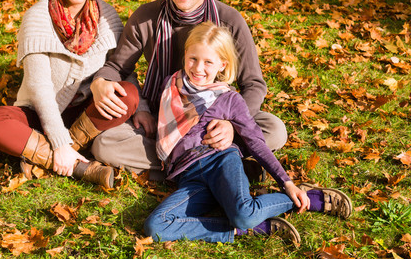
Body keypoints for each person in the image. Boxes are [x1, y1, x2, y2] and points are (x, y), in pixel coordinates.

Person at [89, 0, 287, 177]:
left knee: (275, 129)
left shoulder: (229, 21)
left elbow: (253, 84)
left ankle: (184, 165)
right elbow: (117, 68)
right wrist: (102, 83)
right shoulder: (146, 17)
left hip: (214, 119)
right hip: (162, 119)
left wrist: (232, 126)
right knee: (105, 144)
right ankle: (217, 165)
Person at [143, 22, 353, 243]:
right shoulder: (171, 85)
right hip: (189, 177)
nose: (197, 68)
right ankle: (248, 227)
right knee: (155, 226)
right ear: (185, 54)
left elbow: (256, 143)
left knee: (243, 215)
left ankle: (308, 197)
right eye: (193, 58)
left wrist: (287, 183)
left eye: (208, 62)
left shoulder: (229, 99)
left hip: (220, 163)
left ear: (222, 65)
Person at [0, 0, 139, 189]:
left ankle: (44, 155)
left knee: (128, 93)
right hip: (39, 112)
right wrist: (60, 144)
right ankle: (79, 167)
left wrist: (144, 108)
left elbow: (122, 69)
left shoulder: (108, 17)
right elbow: (39, 87)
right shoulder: (38, 17)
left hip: (85, 113)